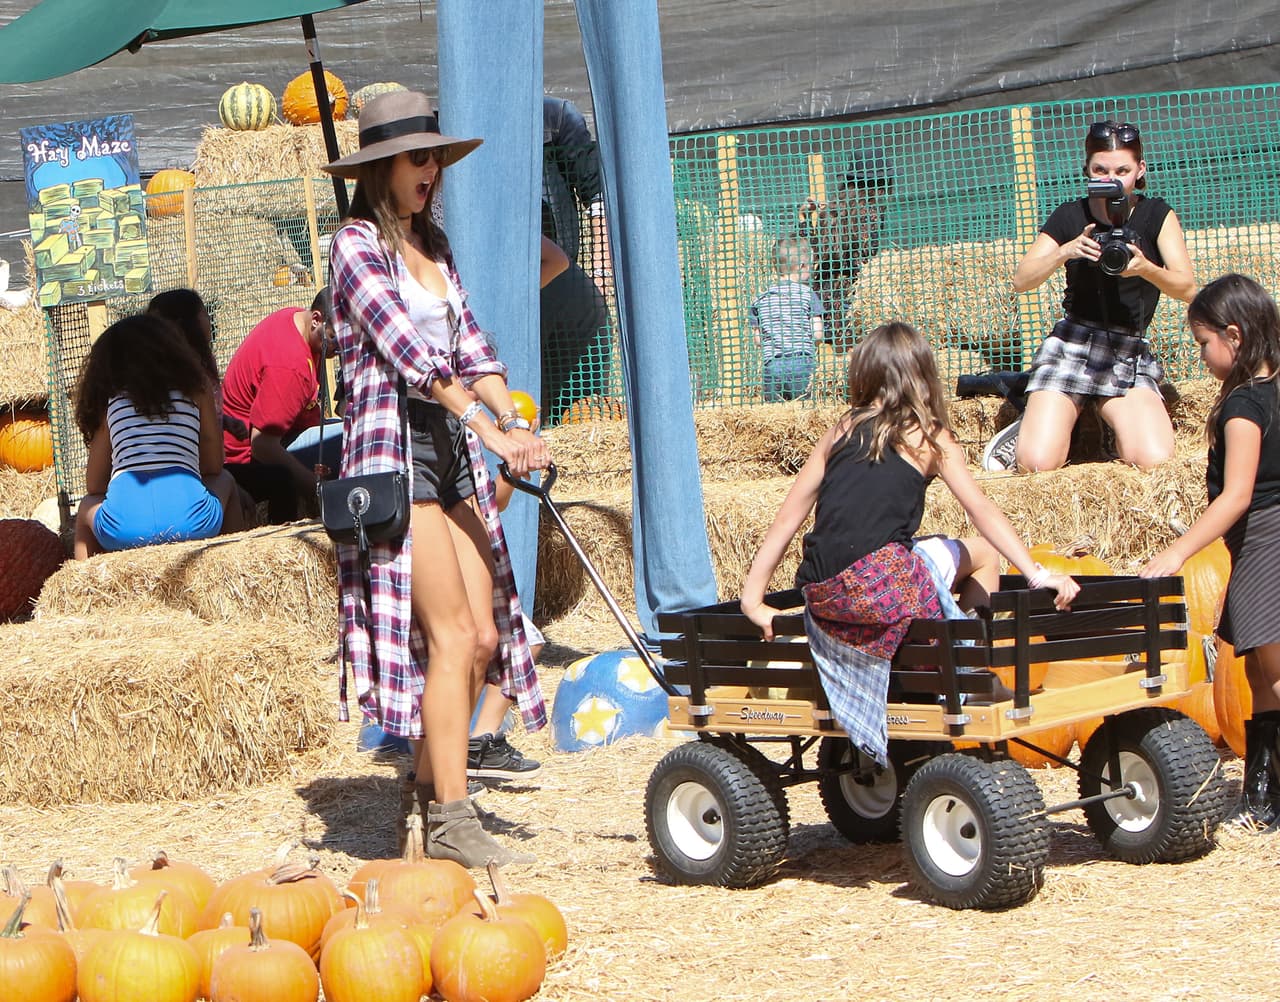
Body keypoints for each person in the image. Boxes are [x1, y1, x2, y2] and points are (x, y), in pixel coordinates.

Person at [323, 89, 552, 868]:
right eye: (419, 159)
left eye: (437, 159)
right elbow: (411, 354)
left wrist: (514, 422)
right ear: (381, 167)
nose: (432, 171)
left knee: (483, 636)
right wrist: (488, 429)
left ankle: (424, 798)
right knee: (450, 634)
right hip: (393, 452)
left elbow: (472, 347)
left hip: (446, 448)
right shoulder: (355, 246)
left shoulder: (436, 244)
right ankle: (453, 818)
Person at [739, 322, 1079, 765]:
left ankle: (926, 657)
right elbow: (981, 509)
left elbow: (788, 517)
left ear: (863, 374)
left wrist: (752, 599)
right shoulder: (930, 436)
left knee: (911, 550)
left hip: (824, 596)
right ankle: (969, 670)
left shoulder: (841, 430)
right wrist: (1036, 573)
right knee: (983, 553)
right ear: (923, 376)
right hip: (881, 588)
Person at [1140, 273, 1280, 829]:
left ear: (1234, 335)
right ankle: (1264, 795)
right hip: (1259, 539)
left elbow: (1237, 495)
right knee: (1262, 675)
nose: (1201, 356)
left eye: (1203, 343)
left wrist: (1178, 551)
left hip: (1265, 537)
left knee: (1274, 673)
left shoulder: (1244, 406)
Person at [983, 120, 1196, 473]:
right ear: (1087, 169)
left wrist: (1145, 268)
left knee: (1154, 460)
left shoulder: (1156, 215)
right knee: (1037, 464)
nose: (1112, 179)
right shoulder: (1071, 214)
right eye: (1101, 170)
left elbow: (1188, 289)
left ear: (1140, 170)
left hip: (1127, 348)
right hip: (1073, 342)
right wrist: (1064, 251)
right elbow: (1021, 280)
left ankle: (1104, 423)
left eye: (1122, 171)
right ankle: (1031, 421)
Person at [71, 313, 241, 559]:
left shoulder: (112, 403)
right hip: (193, 523)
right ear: (174, 351)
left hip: (123, 529)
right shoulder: (197, 390)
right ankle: (234, 564)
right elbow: (214, 465)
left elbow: (94, 485)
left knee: (86, 505)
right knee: (226, 480)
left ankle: (83, 579)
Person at [221, 288, 338, 523]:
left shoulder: (297, 320)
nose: (341, 347)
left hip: (274, 436)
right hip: (248, 458)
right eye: (336, 337)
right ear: (316, 319)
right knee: (345, 439)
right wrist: (316, 487)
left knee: (340, 428)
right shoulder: (290, 366)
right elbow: (262, 444)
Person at [148, 287, 257, 529]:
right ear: (187, 323)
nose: (209, 321)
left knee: (278, 477)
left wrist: (226, 422)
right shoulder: (180, 375)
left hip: (214, 466)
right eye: (204, 315)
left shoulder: (202, 363)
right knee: (269, 482)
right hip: (197, 473)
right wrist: (232, 485)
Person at [540, 95, 612, 423]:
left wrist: (601, 270)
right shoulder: (451, 117)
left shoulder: (554, 117)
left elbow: (597, 195)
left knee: (579, 410)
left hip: (559, 276)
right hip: (492, 285)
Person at [799, 147, 893, 352]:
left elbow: (812, 251)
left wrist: (804, 220)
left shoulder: (831, 211)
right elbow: (865, 261)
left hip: (822, 300)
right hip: (852, 302)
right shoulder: (872, 215)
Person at [750, 235, 825, 402]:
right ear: (802, 266)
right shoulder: (807, 294)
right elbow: (817, 333)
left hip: (772, 365)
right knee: (804, 410)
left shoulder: (761, 299)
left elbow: (758, 340)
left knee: (775, 413)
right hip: (802, 362)